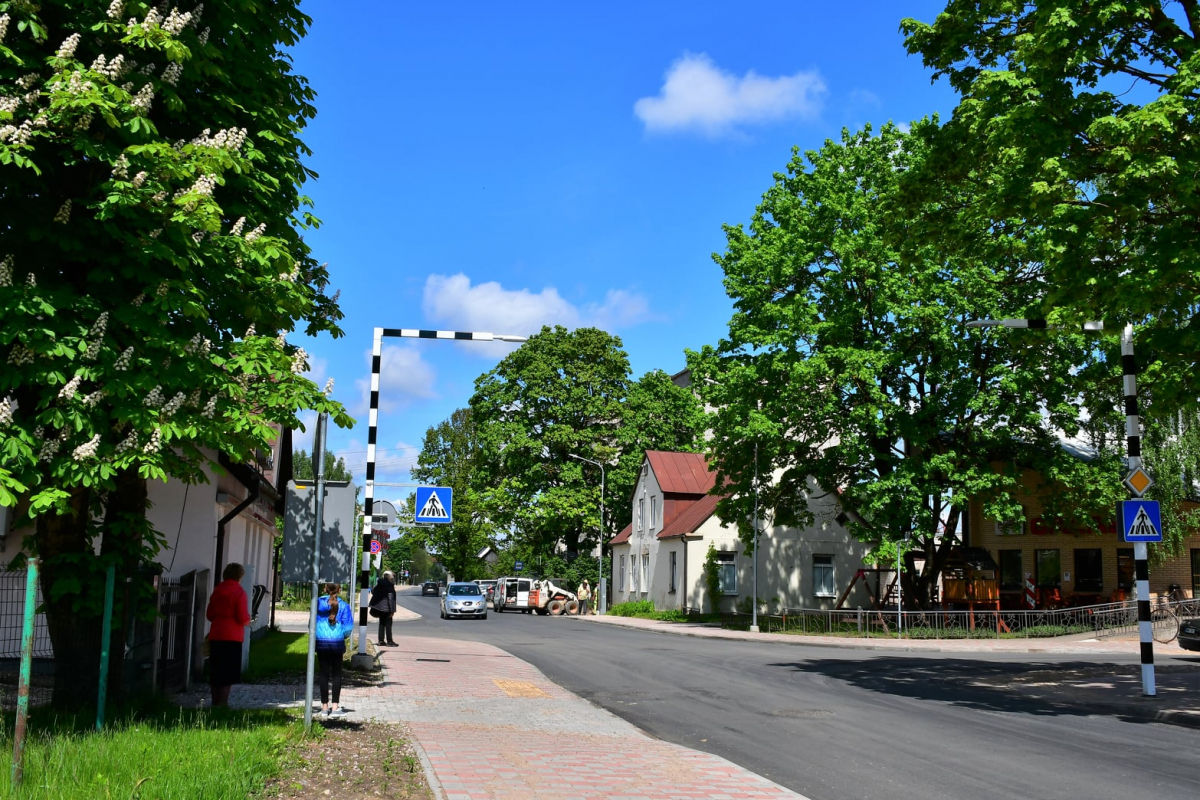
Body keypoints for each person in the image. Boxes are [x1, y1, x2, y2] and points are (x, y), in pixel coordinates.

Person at [206, 562, 251, 708]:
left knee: (216, 670)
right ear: (239, 576)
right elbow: (242, 616)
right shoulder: (239, 592)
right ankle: (223, 703)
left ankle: (214, 702)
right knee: (228, 672)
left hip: (216, 633)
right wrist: (248, 619)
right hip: (232, 636)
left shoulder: (217, 590)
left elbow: (210, 614)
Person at [316, 583, 354, 717]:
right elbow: (348, 627)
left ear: (325, 589)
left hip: (321, 642)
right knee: (337, 674)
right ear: (339, 590)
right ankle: (335, 707)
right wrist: (341, 635)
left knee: (323, 674)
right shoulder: (344, 606)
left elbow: (311, 623)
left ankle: (324, 707)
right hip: (337, 643)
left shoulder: (317, 604)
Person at [369, 570, 398, 647]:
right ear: (390, 577)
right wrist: (392, 611)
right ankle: (390, 641)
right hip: (387, 608)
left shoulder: (380, 584)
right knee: (388, 624)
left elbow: (373, 591)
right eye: (392, 576)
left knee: (381, 623)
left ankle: (381, 641)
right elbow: (390, 599)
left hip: (379, 608)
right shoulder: (389, 586)